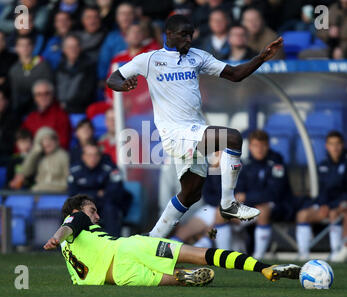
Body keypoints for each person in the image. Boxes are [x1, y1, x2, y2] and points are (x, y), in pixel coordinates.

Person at [107, 14, 284, 239]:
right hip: (174, 133)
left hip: (194, 129)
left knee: (190, 194)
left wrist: (262, 57)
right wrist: (123, 86)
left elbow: (235, 74)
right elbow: (113, 78)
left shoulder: (197, 57)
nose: (188, 39)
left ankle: (153, 239)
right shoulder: (149, 60)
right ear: (168, 34)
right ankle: (229, 203)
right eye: (183, 35)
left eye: (191, 34)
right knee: (232, 138)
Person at [43, 193, 301, 286]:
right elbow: (70, 226)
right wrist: (55, 237)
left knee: (174, 279)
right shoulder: (74, 222)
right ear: (77, 212)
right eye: (92, 211)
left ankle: (183, 277)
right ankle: (264, 269)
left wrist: (58, 242)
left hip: (120, 278)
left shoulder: (70, 253)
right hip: (130, 248)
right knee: (202, 255)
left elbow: (69, 235)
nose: (97, 216)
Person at [235, 130, 297, 259]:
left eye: (262, 145)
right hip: (251, 206)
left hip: (279, 207)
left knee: (262, 210)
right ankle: (226, 254)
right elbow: (239, 192)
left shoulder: (277, 163)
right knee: (221, 214)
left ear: (268, 146)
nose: (259, 149)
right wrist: (247, 198)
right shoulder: (246, 164)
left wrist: (247, 197)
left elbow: (274, 193)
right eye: (255, 146)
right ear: (250, 147)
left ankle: (258, 256)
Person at [296, 131, 347, 262]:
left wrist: (335, 206)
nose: (335, 148)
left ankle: (339, 252)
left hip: (341, 205)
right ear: (326, 146)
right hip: (326, 205)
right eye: (331, 144)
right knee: (302, 215)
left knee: (336, 214)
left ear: (343, 145)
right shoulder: (322, 165)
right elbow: (321, 190)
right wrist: (324, 204)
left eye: (337, 144)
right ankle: (303, 255)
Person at [68, 141, 132, 236]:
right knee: (71, 212)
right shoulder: (75, 170)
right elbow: (73, 193)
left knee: (111, 209)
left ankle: (112, 245)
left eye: (96, 155)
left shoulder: (109, 167)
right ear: (83, 156)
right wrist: (96, 193)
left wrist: (88, 194)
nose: (93, 158)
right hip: (84, 206)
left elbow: (115, 190)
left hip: (106, 204)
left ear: (100, 156)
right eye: (89, 155)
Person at [10, 127, 70, 192]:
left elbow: (68, 179)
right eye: (44, 140)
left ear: (56, 141)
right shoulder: (38, 156)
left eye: (51, 139)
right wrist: (35, 152)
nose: (48, 142)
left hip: (58, 192)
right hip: (38, 192)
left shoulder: (63, 156)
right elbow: (26, 172)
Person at [9, 35, 54, 116]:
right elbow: (15, 95)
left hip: (44, 109)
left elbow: (50, 90)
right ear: (16, 48)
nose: (25, 48)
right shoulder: (14, 70)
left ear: (33, 47)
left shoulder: (43, 64)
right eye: (22, 45)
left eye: (28, 45)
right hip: (22, 111)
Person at [21, 79, 72, 150]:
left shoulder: (61, 116)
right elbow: (21, 139)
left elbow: (63, 143)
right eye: (39, 94)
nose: (43, 97)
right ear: (35, 98)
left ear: (52, 94)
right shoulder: (31, 117)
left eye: (47, 93)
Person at [55, 34, 97, 113]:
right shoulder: (59, 68)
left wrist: (67, 105)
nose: (73, 50)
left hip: (80, 111)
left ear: (80, 48)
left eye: (76, 46)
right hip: (60, 111)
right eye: (70, 47)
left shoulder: (89, 67)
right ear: (64, 50)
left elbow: (87, 94)